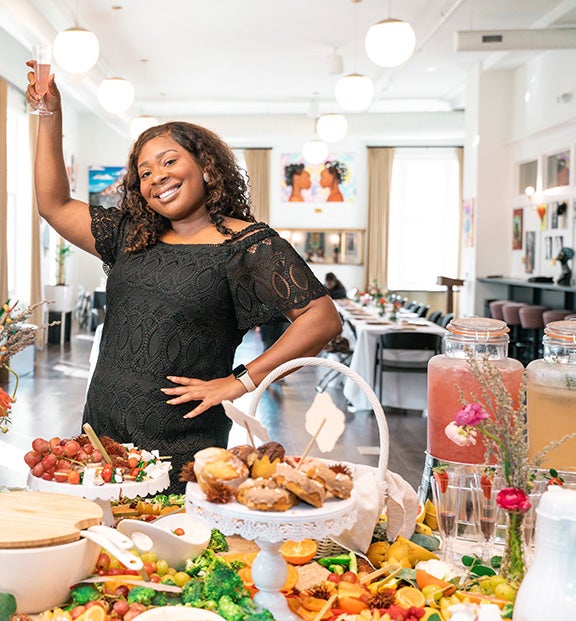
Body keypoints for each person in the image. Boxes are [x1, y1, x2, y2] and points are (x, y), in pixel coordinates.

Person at [26, 64, 342, 491]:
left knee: (176, 549)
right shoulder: (128, 236)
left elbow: (321, 319)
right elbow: (54, 204)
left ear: (206, 165)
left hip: (182, 441)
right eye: (145, 173)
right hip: (102, 434)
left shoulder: (246, 245)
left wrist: (239, 381)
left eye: (169, 161)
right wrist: (49, 115)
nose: (158, 177)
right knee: (105, 549)